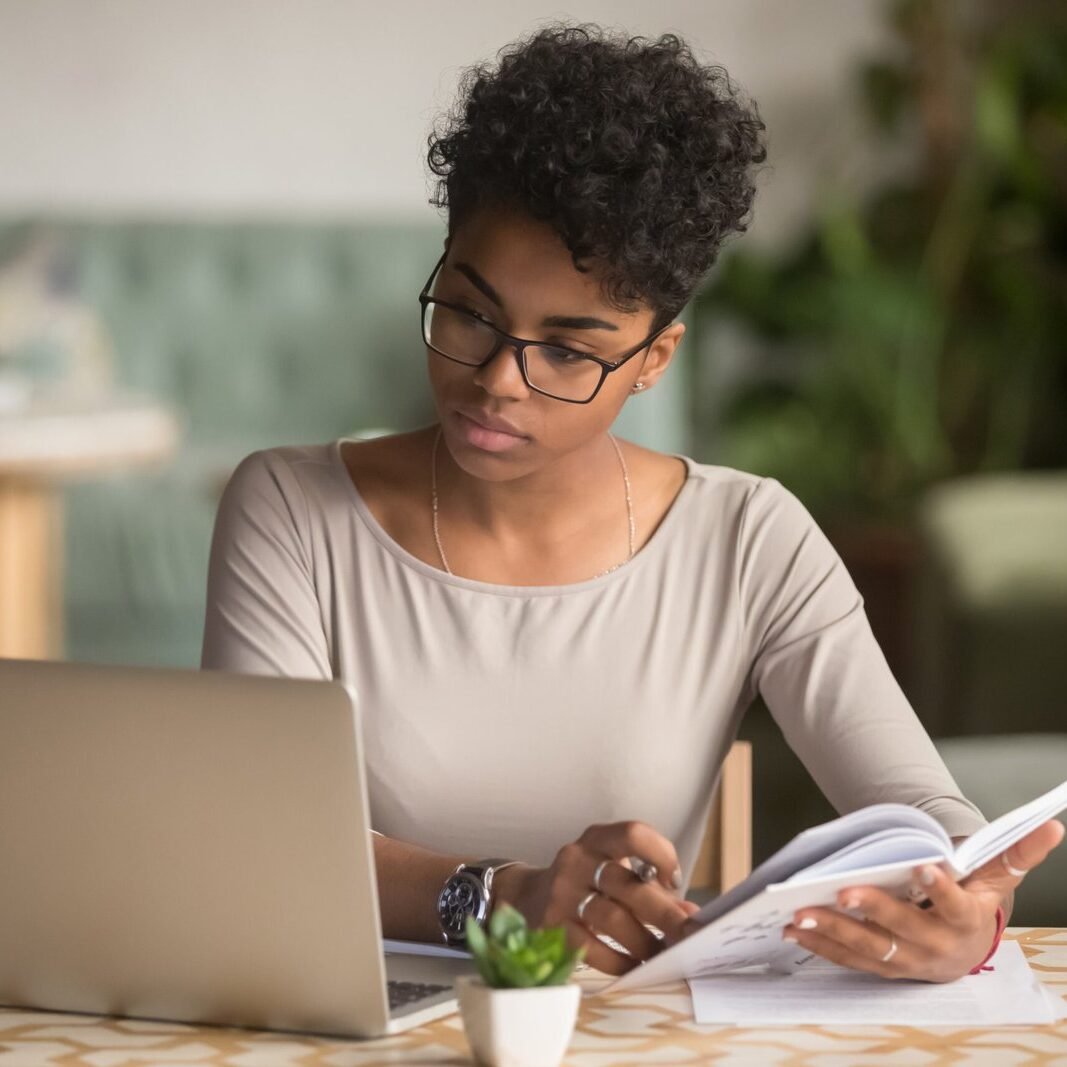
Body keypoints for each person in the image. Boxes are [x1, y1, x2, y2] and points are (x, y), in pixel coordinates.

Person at [201, 24, 1062, 981]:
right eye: (470, 312)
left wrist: (968, 910)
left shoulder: (748, 537)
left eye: (567, 349)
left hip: (630, 1029)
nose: (497, 380)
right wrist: (505, 899)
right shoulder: (291, 509)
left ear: (653, 359)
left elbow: (923, 812)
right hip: (360, 1024)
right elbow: (257, 832)